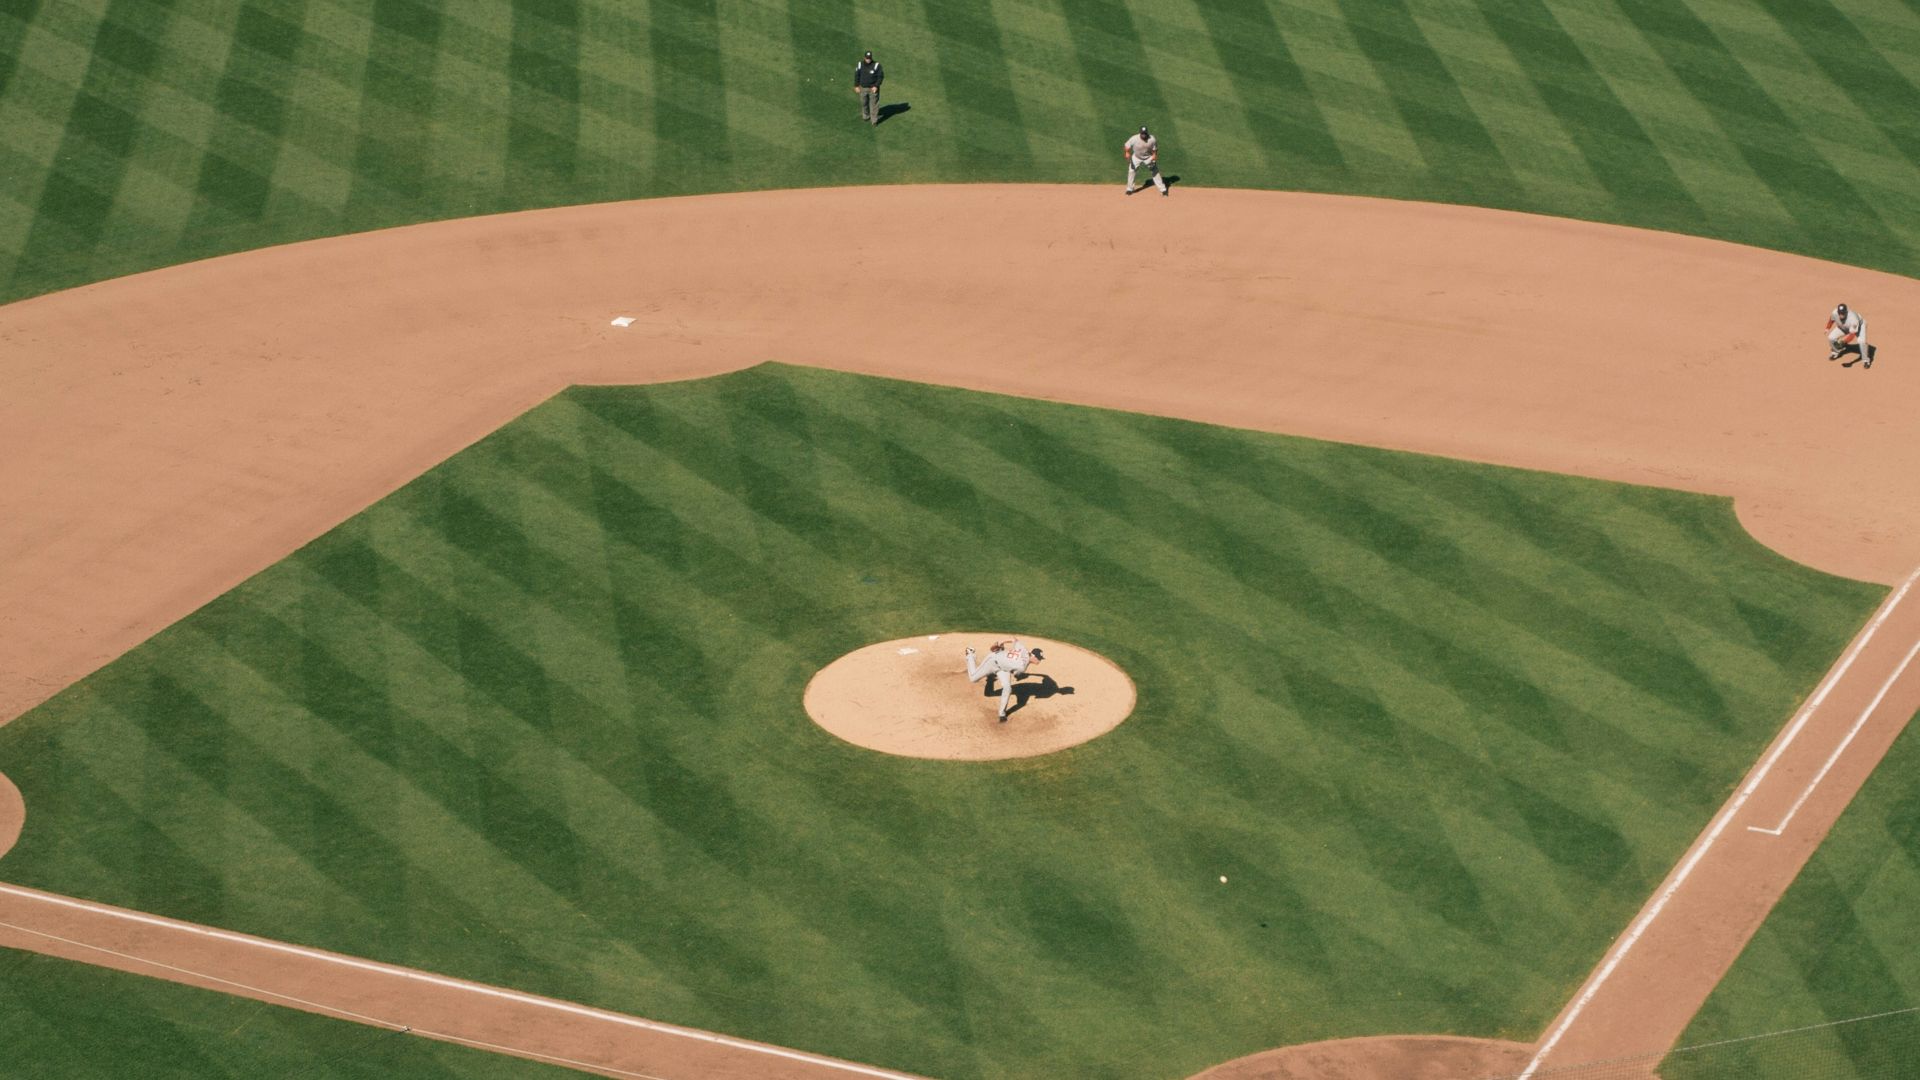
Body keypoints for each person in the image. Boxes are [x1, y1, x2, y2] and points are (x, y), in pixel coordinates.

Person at [964, 640, 1045, 721]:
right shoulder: (1022, 667)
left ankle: (1002, 714)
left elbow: (1014, 639)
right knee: (973, 679)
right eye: (1039, 659)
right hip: (992, 661)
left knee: (1007, 688)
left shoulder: (1024, 649)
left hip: (1003, 669)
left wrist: (1001, 642)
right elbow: (1016, 674)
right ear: (1033, 656)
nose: (1040, 661)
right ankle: (971, 655)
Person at [1124, 126, 1168, 196]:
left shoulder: (1152, 139)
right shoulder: (1134, 138)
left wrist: (1154, 155)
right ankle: (1130, 189)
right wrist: (1127, 152)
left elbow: (1155, 149)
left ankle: (1163, 190)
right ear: (1140, 133)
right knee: (1131, 171)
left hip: (1148, 157)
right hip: (1136, 157)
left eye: (1145, 133)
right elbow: (1127, 146)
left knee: (1155, 171)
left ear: (1147, 133)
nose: (1144, 135)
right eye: (1142, 133)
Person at [1827, 303, 1873, 368]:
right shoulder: (1835, 313)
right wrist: (1827, 328)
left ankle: (1866, 361)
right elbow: (1831, 319)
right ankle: (1835, 352)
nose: (1841, 315)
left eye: (1843, 313)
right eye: (1840, 313)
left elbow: (1852, 334)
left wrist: (1843, 342)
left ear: (1846, 312)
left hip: (1860, 326)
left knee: (1861, 341)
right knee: (1831, 337)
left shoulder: (1853, 319)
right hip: (1845, 326)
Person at [854, 51, 884, 126]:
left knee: (874, 104)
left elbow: (880, 77)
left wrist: (876, 86)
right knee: (864, 102)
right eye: (867, 58)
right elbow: (857, 75)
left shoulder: (877, 65)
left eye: (869, 58)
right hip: (863, 88)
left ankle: (874, 121)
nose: (868, 60)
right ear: (864, 58)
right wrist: (856, 85)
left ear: (871, 58)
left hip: (873, 89)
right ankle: (866, 116)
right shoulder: (860, 64)